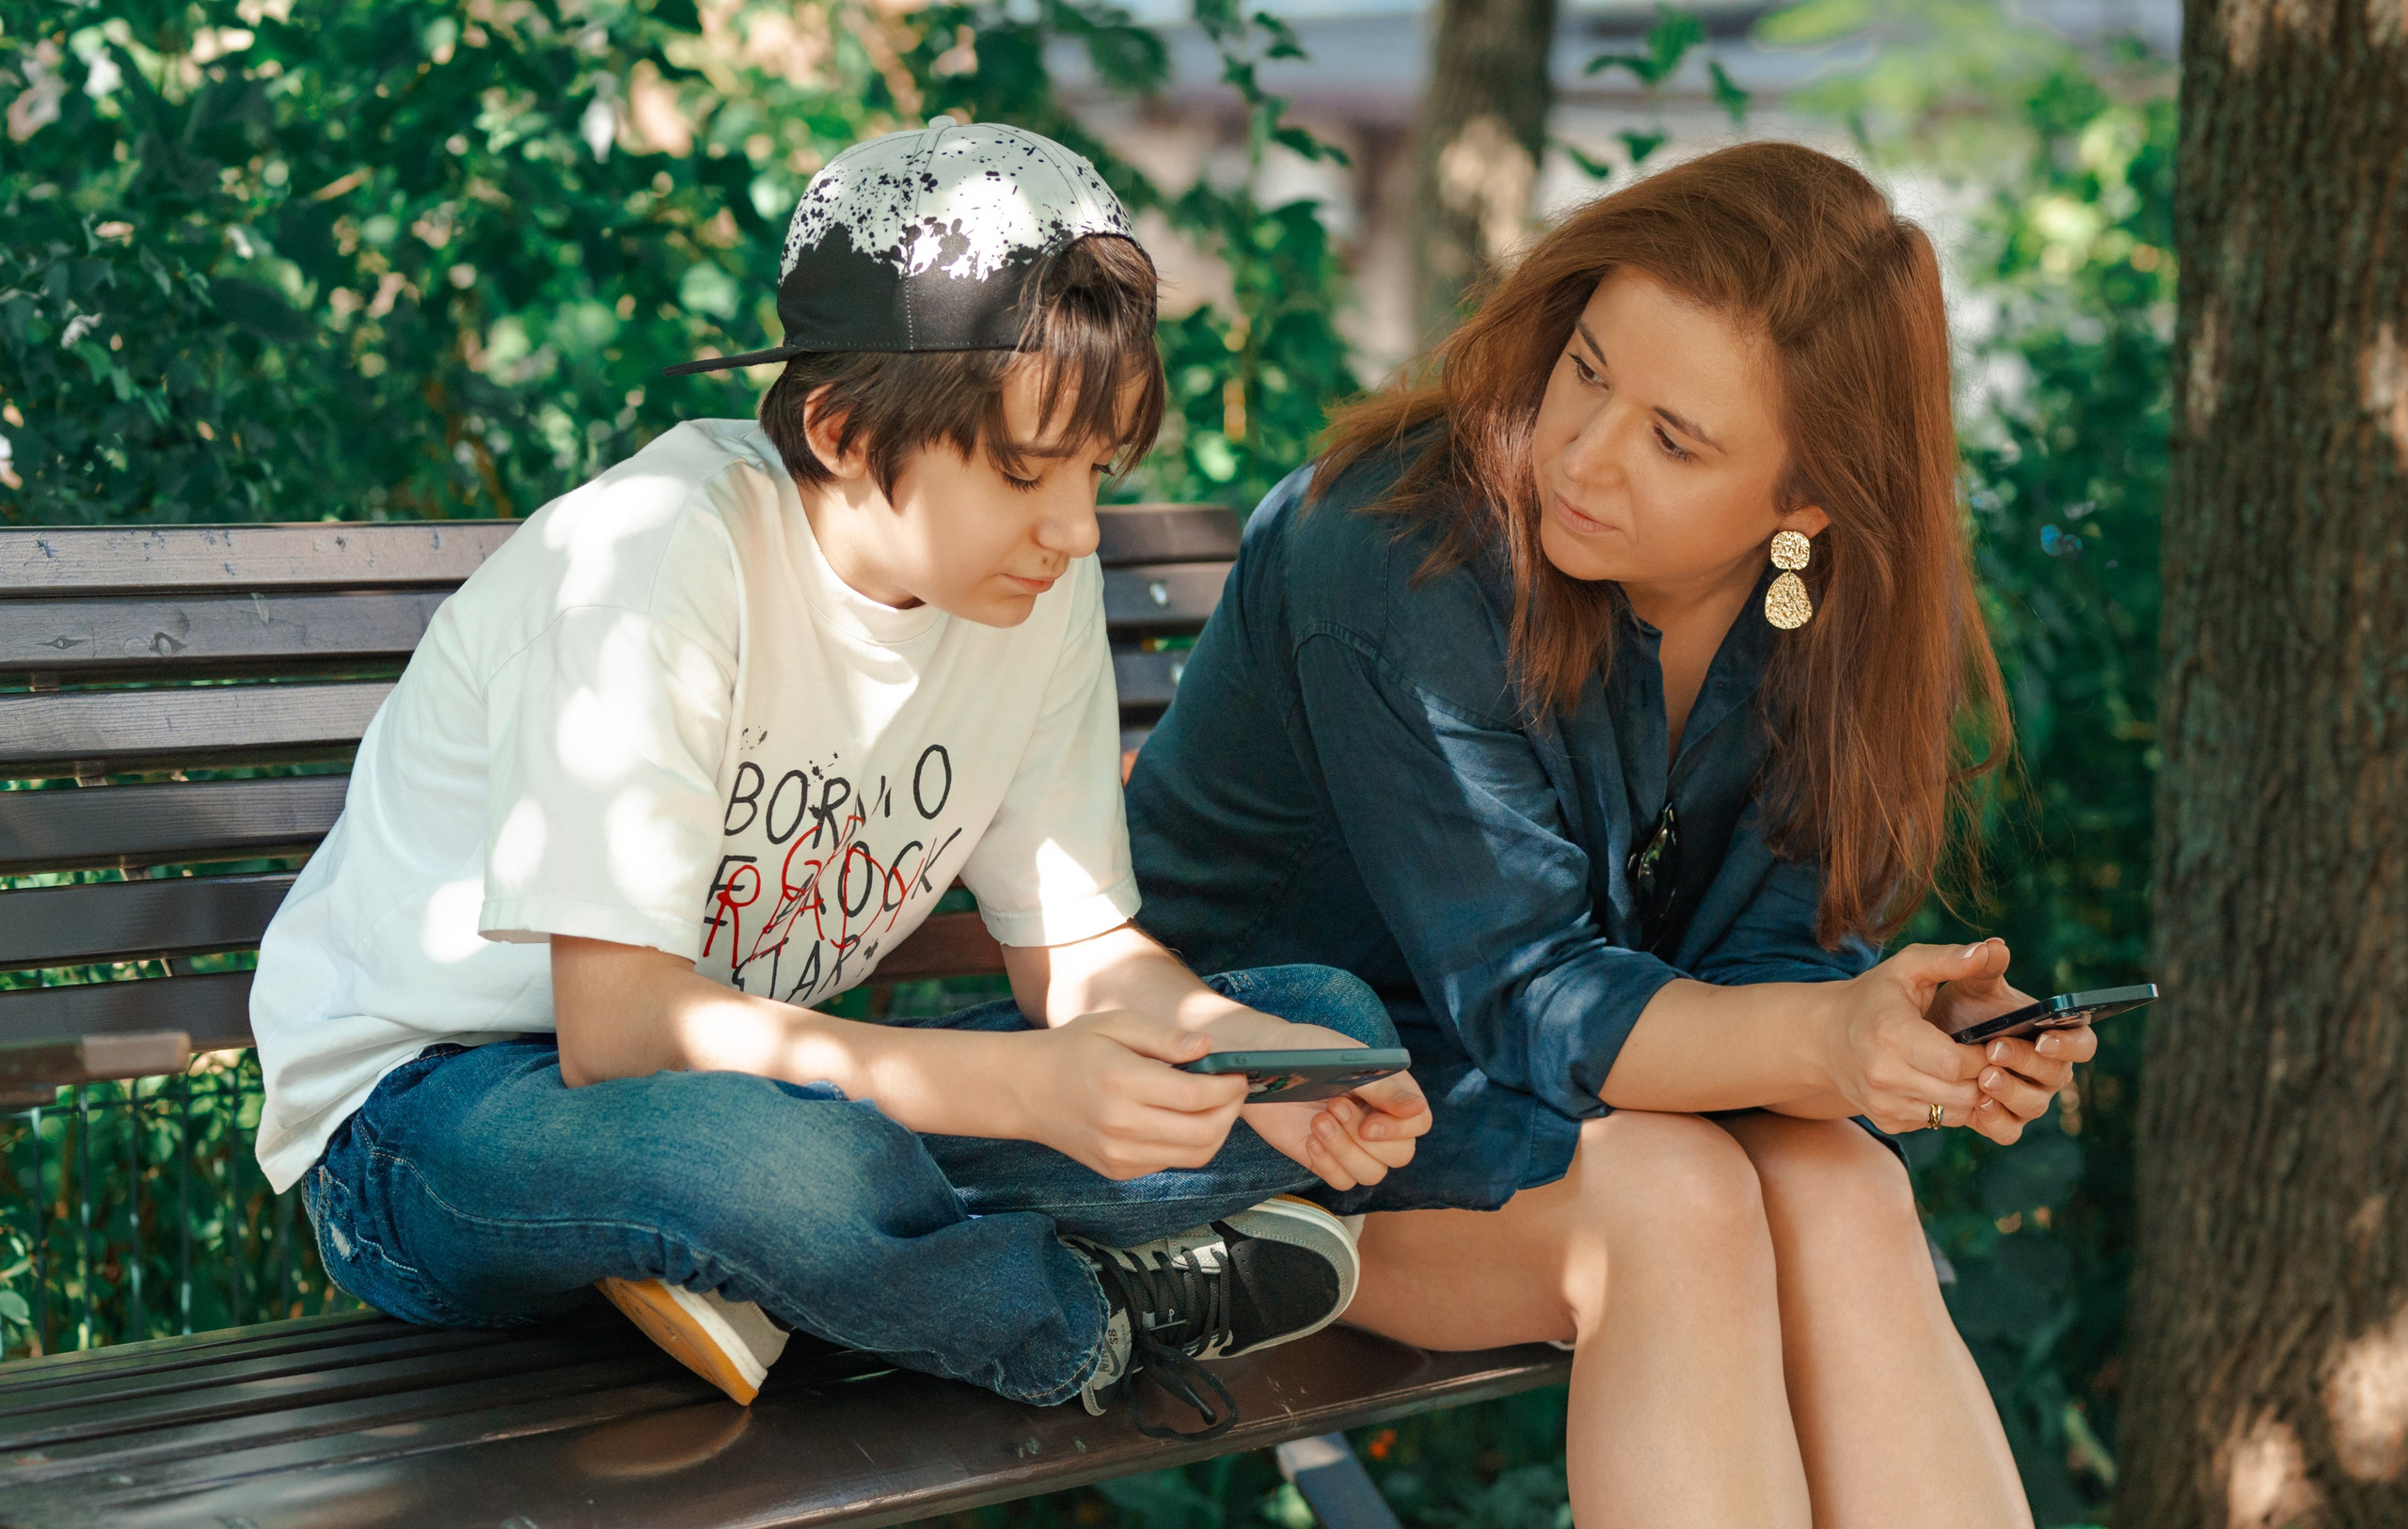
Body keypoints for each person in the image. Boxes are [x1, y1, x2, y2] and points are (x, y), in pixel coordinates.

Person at [249, 118, 1429, 1431]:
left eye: (1098, 468)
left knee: (1308, 1016)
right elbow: (624, 1033)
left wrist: (1241, 1054)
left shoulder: (1032, 585)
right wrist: (1027, 1092)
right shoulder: (658, 559)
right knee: (780, 1165)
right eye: (1028, 469)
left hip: (779, 1096)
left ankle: (773, 1278)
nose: (1076, 526)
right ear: (844, 427)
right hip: (441, 1125)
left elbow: (1082, 957)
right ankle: (1080, 1317)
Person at [1125, 141, 2094, 1523]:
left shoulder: (1816, 623)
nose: (1580, 456)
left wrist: (1907, 1040)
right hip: (1273, 1122)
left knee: (1842, 1187)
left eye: (1674, 438)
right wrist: (1825, 1042)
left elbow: (1767, 973)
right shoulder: (1401, 545)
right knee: (1678, 1203)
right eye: (1586, 369)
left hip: (1562, 1113)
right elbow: (1530, 994)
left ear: (1805, 503)